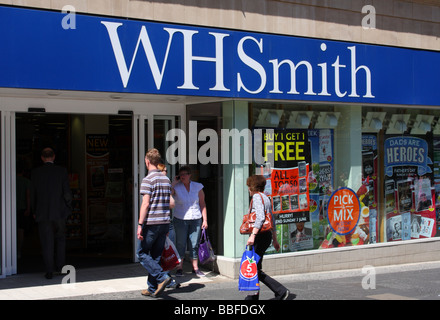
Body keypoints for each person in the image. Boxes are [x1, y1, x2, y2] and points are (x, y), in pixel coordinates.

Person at [245, 174, 289, 300]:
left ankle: (281, 291)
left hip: (259, 236)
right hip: (266, 236)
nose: (248, 189)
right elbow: (272, 220)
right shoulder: (266, 198)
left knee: (253, 268)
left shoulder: (257, 198)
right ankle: (253, 297)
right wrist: (274, 239)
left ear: (253, 186)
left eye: (249, 186)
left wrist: (252, 235)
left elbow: (261, 218)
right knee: (255, 267)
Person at [31, 147, 72, 279]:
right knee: (60, 239)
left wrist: (34, 210)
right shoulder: (61, 171)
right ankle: (61, 267)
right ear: (53, 157)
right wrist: (69, 206)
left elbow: (33, 194)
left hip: (42, 212)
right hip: (59, 211)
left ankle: (49, 270)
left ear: (42, 158)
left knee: (46, 241)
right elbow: (66, 192)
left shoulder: (36, 173)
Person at [137, 148, 172, 297]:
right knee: (156, 255)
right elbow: (169, 202)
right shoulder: (166, 179)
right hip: (164, 222)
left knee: (142, 253)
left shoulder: (147, 179)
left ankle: (162, 277)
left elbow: (145, 204)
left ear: (147, 161)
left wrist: (139, 224)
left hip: (152, 223)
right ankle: (152, 288)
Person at [171, 165, 208, 277]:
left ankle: (195, 268)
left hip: (196, 218)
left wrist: (205, 219)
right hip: (180, 219)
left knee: (194, 244)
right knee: (180, 243)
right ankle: (179, 268)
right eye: (180, 174)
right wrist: (173, 182)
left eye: (185, 174)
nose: (182, 176)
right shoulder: (176, 187)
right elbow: (167, 194)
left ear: (189, 175)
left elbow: (202, 204)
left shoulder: (197, 187)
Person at [16, 160, 31, 260]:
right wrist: (29, 208)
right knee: (20, 230)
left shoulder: (9, 180)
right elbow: (28, 196)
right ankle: (18, 251)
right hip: (22, 208)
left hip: (10, 209)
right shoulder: (26, 181)